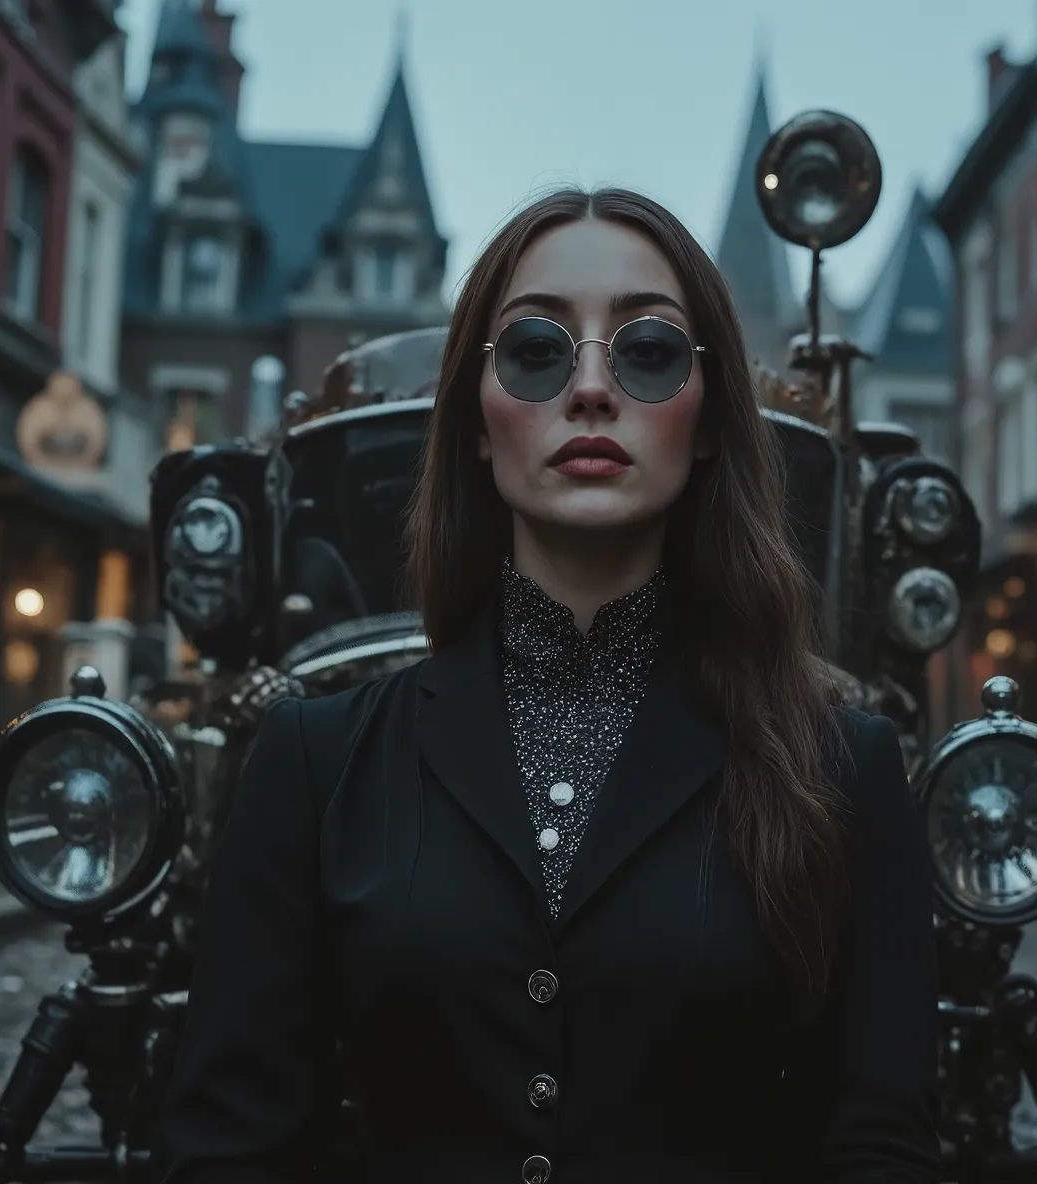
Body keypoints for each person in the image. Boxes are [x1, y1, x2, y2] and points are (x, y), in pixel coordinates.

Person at [155, 187, 940, 1183]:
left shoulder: (840, 766)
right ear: (477, 424)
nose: (590, 387)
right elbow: (227, 1144)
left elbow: (879, 1146)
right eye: (534, 348)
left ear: (706, 424)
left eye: (647, 350)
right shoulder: (315, 759)